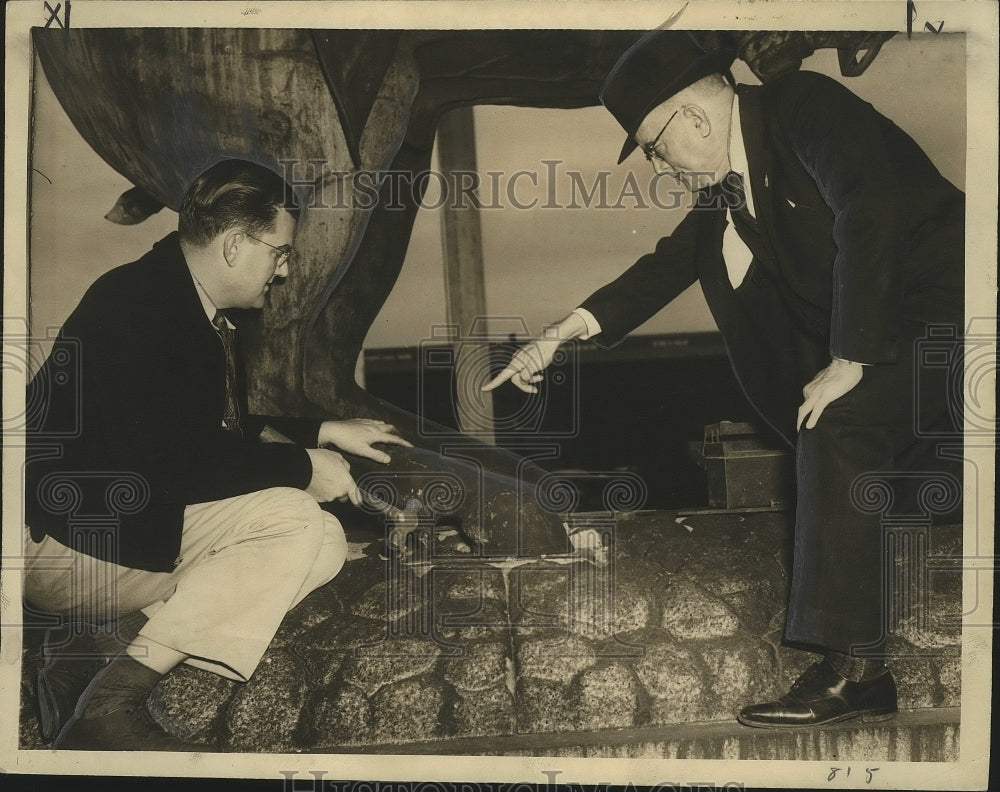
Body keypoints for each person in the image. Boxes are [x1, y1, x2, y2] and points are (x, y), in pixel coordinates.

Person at [483, 31, 964, 728]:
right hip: (902, 338)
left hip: (959, 315)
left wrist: (850, 358)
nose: (658, 164)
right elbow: (663, 266)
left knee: (839, 416)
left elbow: (870, 208)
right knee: (882, 462)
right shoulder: (728, 193)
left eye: (652, 145)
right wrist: (561, 334)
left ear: (697, 119)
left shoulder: (803, 105)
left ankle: (854, 672)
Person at [24, 159, 411, 750]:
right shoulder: (139, 306)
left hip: (103, 524)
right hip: (56, 541)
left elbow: (185, 435)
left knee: (323, 543)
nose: (282, 272)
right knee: (293, 518)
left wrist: (321, 431)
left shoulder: (169, 295)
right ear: (235, 244)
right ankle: (110, 706)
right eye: (280, 252)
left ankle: (89, 658)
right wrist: (304, 469)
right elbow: (170, 462)